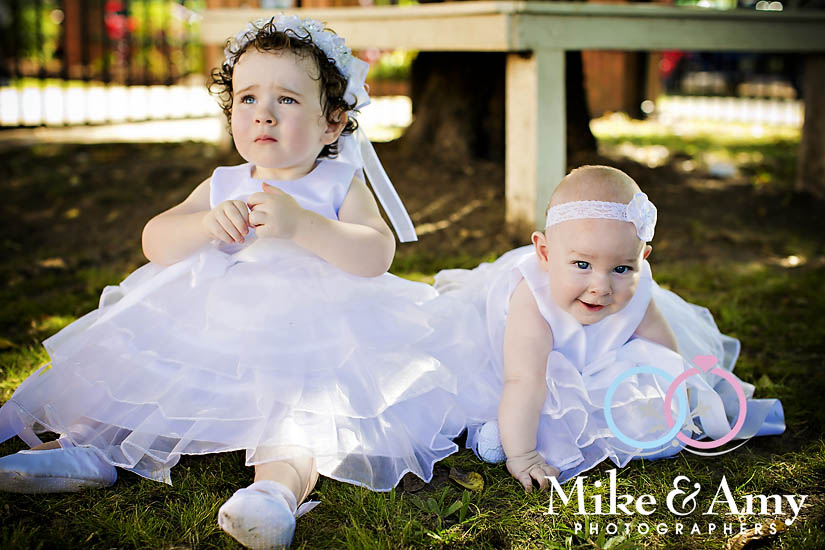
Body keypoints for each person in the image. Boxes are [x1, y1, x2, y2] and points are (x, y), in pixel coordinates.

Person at [0, 15, 470, 549]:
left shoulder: (340, 182)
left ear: (332, 123)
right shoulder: (224, 183)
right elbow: (155, 239)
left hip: (309, 331)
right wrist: (203, 225)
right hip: (214, 318)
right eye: (248, 98)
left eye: (287, 99)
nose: (264, 112)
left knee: (296, 417)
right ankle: (83, 448)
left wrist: (306, 225)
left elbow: (376, 253)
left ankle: (272, 494)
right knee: (138, 378)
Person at [435, 165, 785, 492]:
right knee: (516, 394)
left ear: (641, 260)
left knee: (646, 400)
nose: (601, 287)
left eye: (621, 269)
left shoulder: (636, 291)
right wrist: (523, 455)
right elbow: (522, 382)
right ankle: (503, 432)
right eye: (582, 264)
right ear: (545, 254)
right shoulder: (531, 302)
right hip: (523, 364)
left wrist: (686, 399)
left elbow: (666, 352)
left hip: (595, 357)